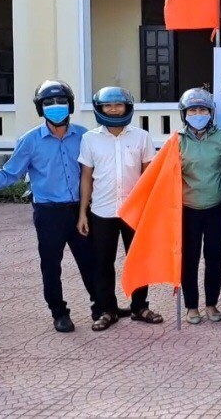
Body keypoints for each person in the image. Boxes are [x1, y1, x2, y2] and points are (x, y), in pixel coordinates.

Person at [0, 80, 100, 333]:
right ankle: (59, 313)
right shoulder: (30, 140)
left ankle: (101, 307)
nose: (56, 106)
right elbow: (8, 174)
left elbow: (95, 170)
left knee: (90, 262)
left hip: (80, 211)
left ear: (70, 105)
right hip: (49, 213)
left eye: (61, 101)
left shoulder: (83, 135)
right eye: (49, 103)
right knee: (51, 266)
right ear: (40, 108)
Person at [77, 87, 164, 331]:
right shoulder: (90, 139)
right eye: (108, 105)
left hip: (135, 212)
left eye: (118, 105)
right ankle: (107, 310)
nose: (113, 109)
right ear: (100, 109)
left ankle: (140, 307)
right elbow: (86, 177)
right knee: (102, 263)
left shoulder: (141, 137)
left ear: (127, 107)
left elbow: (148, 175)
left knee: (138, 260)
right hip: (102, 211)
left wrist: (150, 211)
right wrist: (83, 212)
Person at [177, 88, 221, 325]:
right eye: (192, 110)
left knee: (214, 258)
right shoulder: (177, 140)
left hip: (216, 208)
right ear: (184, 114)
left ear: (210, 112)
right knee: (189, 260)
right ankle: (191, 306)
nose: (198, 114)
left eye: (202, 110)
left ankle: (211, 304)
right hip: (187, 209)